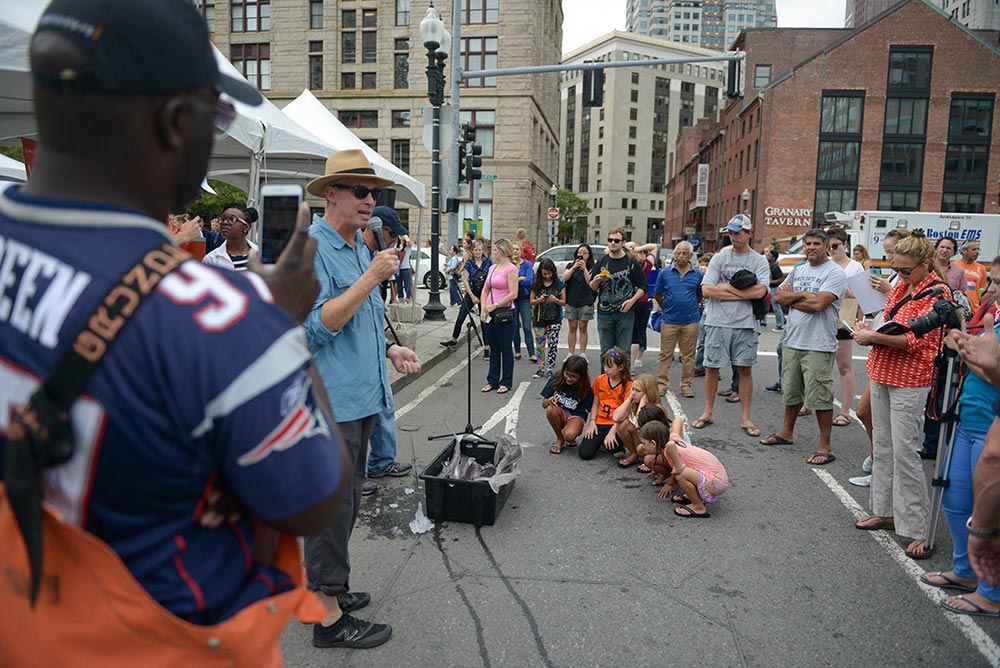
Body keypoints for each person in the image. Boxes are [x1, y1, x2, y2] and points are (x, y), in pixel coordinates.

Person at [1, 0, 348, 663]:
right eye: (215, 116)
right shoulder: (222, 322)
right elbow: (311, 500)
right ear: (173, 122)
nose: (215, 133)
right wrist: (282, 330)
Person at [303, 149, 422, 649]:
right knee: (330, 509)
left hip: (363, 396)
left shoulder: (354, 247)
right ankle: (326, 620)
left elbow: (361, 319)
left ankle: (333, 590)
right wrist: (371, 277)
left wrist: (391, 348)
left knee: (348, 504)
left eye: (374, 192)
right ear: (331, 193)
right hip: (331, 400)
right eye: (359, 190)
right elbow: (314, 326)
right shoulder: (312, 248)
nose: (370, 199)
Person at [850, 232, 951, 561]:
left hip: (909, 379)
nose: (900, 275)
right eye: (897, 268)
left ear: (924, 264)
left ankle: (919, 526)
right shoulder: (903, 284)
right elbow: (891, 320)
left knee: (906, 452)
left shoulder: (937, 292)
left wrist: (873, 336)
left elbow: (915, 341)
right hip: (882, 372)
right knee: (884, 445)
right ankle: (885, 511)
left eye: (905, 270)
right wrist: (870, 327)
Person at [917, 302, 1000, 617]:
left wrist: (966, 351)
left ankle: (991, 592)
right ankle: (964, 570)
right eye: (992, 280)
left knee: (990, 512)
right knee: (954, 497)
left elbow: (991, 369)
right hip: (967, 418)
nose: (993, 289)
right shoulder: (993, 313)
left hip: (990, 426)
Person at [760, 230, 846, 465]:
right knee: (791, 391)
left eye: (816, 243)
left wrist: (795, 299)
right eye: (807, 243)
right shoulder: (799, 270)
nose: (811, 247)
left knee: (820, 396)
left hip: (818, 344)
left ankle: (825, 445)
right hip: (792, 341)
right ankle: (786, 433)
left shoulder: (835, 273)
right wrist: (803, 295)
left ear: (827, 246)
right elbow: (777, 298)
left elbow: (819, 304)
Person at [692, 214, 770, 437]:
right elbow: (706, 289)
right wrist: (743, 294)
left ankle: (746, 417)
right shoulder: (719, 257)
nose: (733, 237)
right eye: (731, 233)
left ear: (749, 233)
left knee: (745, 369)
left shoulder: (758, 260)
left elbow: (760, 291)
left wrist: (725, 290)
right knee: (711, 368)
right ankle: (707, 412)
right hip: (717, 321)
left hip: (745, 323)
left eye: (737, 233)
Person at [849, 229, 908, 487]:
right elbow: (884, 312)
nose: (889, 258)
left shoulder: (907, 282)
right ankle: (878, 460)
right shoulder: (895, 277)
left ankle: (880, 465)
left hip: (897, 360)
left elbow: (905, 321)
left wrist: (888, 290)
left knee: (878, 418)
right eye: (887, 252)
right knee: (867, 413)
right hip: (881, 353)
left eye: (893, 252)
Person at [366, 206, 416, 490]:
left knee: (384, 404)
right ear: (381, 230)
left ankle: (382, 460)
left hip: (375, 346)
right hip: (355, 354)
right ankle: (356, 473)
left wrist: (388, 347)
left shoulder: (373, 258)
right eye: (393, 235)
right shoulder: (359, 257)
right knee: (359, 415)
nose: (395, 241)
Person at [638, 421, 729, 518]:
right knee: (681, 471)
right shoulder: (673, 437)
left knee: (680, 474)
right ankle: (693, 495)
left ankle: (698, 507)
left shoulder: (669, 447)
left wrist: (671, 481)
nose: (643, 446)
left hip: (716, 482)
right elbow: (677, 420)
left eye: (644, 443)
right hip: (717, 477)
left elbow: (676, 465)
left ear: (653, 443)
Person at [654, 240, 702, 399]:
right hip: (669, 319)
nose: (681, 256)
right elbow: (658, 294)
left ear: (691, 256)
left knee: (688, 356)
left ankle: (686, 385)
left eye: (684, 253)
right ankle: (661, 384)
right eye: (678, 253)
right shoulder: (665, 273)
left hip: (691, 320)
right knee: (665, 354)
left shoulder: (698, 275)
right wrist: (666, 306)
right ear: (674, 255)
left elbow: (699, 296)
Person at [827, 226, 864, 428]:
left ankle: (844, 411)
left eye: (835, 245)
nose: (831, 250)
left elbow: (860, 296)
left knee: (844, 366)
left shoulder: (855, 267)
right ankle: (809, 402)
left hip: (843, 320)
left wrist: (859, 320)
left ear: (845, 245)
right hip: (823, 318)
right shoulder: (825, 264)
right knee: (817, 365)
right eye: (829, 246)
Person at [590, 227, 646, 354]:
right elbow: (592, 287)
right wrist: (596, 280)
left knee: (623, 351)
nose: (613, 243)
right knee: (605, 351)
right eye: (610, 240)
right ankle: (605, 375)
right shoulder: (602, 261)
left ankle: (623, 374)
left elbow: (643, 286)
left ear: (623, 242)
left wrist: (632, 301)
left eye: (616, 240)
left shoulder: (630, 262)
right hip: (604, 312)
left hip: (625, 313)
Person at [579, 348, 633, 460]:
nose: (606, 369)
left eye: (609, 366)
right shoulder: (600, 380)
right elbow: (595, 404)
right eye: (604, 366)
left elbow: (625, 414)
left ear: (621, 367)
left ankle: (611, 441)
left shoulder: (628, 385)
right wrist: (592, 422)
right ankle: (602, 440)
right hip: (600, 421)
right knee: (585, 453)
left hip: (615, 423)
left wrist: (613, 432)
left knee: (616, 449)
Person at [480, 238, 519, 394]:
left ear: (502, 250)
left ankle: (506, 381)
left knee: (505, 348)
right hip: (489, 310)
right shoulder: (492, 268)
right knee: (493, 347)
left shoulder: (511, 269)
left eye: (495, 249)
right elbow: (485, 289)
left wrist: (495, 305)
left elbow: (513, 293)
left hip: (504, 311)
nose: (493, 252)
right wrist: (484, 308)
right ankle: (492, 380)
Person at [440, 239, 492, 349]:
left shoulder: (488, 262)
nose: (478, 252)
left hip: (485, 293)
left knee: (484, 321)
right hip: (471, 292)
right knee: (461, 317)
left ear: (482, 251)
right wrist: (472, 296)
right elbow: (466, 280)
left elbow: (490, 279)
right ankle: (454, 340)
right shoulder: (469, 263)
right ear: (472, 251)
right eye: (475, 250)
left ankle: (487, 347)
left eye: (479, 250)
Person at [612, 373, 668, 469]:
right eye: (632, 389)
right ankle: (634, 454)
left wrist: (643, 401)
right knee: (622, 425)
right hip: (643, 443)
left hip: (656, 446)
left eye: (637, 391)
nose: (633, 393)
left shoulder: (656, 408)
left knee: (641, 430)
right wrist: (630, 398)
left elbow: (638, 424)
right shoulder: (634, 403)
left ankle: (653, 459)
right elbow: (616, 418)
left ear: (648, 393)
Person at [541, 356, 594, 454]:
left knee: (569, 436)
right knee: (550, 409)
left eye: (573, 376)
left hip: (576, 415)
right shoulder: (557, 378)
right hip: (559, 412)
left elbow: (592, 409)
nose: (569, 379)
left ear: (581, 376)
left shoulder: (585, 388)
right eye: (567, 374)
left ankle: (570, 433)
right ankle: (560, 439)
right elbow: (544, 404)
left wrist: (593, 425)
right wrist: (549, 400)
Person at [530, 258, 566, 378]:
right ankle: (540, 367)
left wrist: (555, 300)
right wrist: (539, 300)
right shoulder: (537, 284)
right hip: (540, 318)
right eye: (544, 274)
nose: (547, 276)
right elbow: (531, 301)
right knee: (540, 344)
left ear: (553, 272)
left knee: (552, 344)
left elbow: (564, 302)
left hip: (554, 318)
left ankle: (550, 367)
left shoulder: (559, 284)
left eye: (549, 274)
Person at [562, 243, 597, 359]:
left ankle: (582, 353)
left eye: (584, 253)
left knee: (583, 326)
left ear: (589, 255)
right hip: (571, 300)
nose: (581, 255)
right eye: (579, 252)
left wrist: (585, 269)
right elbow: (564, 278)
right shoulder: (571, 265)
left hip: (586, 301)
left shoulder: (592, 267)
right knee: (572, 327)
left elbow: (591, 282)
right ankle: (570, 353)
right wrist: (574, 267)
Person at [202, 202, 258, 272]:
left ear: (246, 227)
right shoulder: (211, 259)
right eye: (222, 219)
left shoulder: (260, 255)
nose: (225, 222)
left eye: (232, 219)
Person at [627, 242, 657, 368]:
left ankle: (624, 361)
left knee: (625, 332)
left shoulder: (626, 265)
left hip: (628, 300)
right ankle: (632, 364)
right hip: (643, 300)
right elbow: (654, 247)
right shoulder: (646, 265)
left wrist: (630, 247)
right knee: (637, 334)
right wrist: (638, 248)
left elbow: (608, 250)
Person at [511, 242, 537, 363]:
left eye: (517, 249)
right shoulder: (509, 265)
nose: (515, 251)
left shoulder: (526, 264)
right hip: (512, 299)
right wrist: (521, 278)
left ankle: (532, 353)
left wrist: (517, 280)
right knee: (514, 326)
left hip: (524, 299)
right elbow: (507, 282)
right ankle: (517, 351)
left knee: (527, 326)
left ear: (521, 251)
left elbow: (530, 281)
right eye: (513, 249)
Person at [955, 240, 988, 314]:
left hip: (974, 311)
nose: (977, 252)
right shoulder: (954, 266)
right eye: (973, 249)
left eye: (978, 249)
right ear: (964, 251)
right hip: (957, 311)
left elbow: (981, 291)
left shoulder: (981, 268)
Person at [766, 249, 786, 331]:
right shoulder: (769, 266)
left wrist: (770, 282)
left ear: (773, 258)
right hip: (771, 288)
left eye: (769, 255)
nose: (767, 257)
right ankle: (783, 321)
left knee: (776, 307)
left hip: (775, 288)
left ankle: (780, 325)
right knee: (776, 307)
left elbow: (781, 279)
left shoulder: (775, 267)